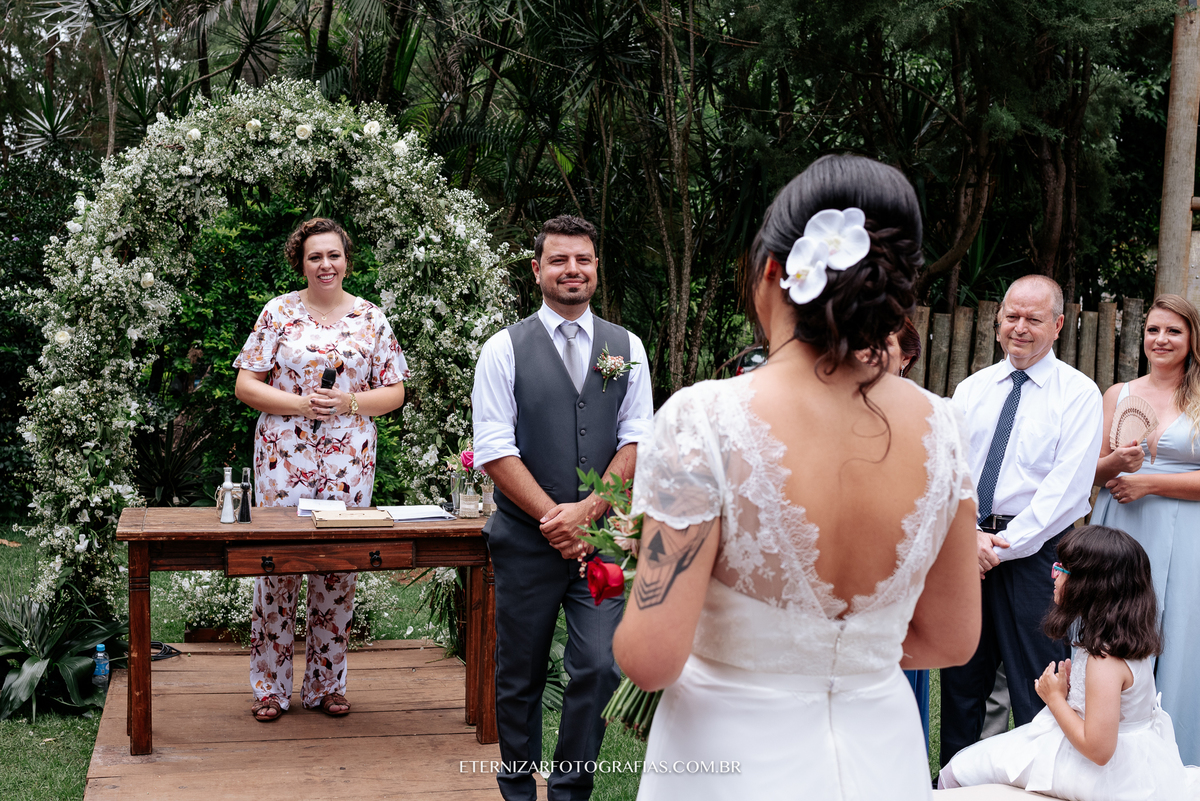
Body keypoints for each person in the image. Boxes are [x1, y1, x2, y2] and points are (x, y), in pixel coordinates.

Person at [613, 154, 981, 799]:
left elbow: (650, 659)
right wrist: (841, 662)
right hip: (882, 755)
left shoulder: (705, 419)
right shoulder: (942, 429)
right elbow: (952, 638)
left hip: (728, 758)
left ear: (775, 269)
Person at [471, 215, 653, 800]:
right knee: (519, 676)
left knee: (600, 666)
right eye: (559, 260)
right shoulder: (503, 350)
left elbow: (637, 438)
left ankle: (571, 792)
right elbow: (495, 448)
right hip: (526, 542)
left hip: (600, 543)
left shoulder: (626, 348)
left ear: (596, 267)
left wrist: (590, 513)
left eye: (583, 260)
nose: (572, 270)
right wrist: (556, 520)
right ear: (537, 270)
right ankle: (518, 792)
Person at [233, 217, 408, 722]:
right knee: (275, 566)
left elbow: (394, 392)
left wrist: (350, 401)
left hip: (349, 460)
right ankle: (269, 687)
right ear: (301, 262)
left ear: (346, 259)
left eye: (333, 255)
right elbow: (247, 386)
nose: (325, 264)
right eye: (315, 257)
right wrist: (299, 404)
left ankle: (327, 684)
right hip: (282, 458)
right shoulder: (278, 312)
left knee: (339, 566)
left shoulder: (372, 318)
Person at [939, 275, 1103, 768]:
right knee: (962, 684)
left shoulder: (1078, 394)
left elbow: (1066, 491)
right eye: (1012, 316)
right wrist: (969, 539)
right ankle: (955, 784)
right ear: (997, 321)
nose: (1020, 328)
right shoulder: (971, 390)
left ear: (1057, 325)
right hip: (968, 550)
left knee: (1040, 682)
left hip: (1040, 558)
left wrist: (999, 545)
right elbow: (950, 471)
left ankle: (1041, 787)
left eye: (1034, 319)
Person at [940, 525, 1200, 798]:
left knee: (957, 771)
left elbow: (1098, 750)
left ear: (1091, 586)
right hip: (1131, 760)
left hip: (1100, 773)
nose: (1053, 576)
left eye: (1062, 569)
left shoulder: (1104, 662)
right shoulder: (1124, 641)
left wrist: (1054, 699)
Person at [1091, 293, 1200, 765]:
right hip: (1122, 532)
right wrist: (1115, 464)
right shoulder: (1118, 394)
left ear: (1192, 339)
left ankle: (1178, 763)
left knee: (1178, 642)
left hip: (1187, 535)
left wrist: (1149, 482)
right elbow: (1090, 471)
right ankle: (1105, 751)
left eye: (1174, 331)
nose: (1161, 339)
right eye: (1153, 329)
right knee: (1115, 636)